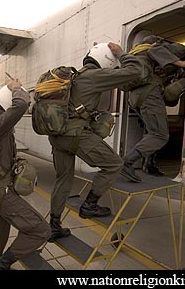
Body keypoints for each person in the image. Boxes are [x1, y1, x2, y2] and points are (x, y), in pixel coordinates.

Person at [47, 42, 146, 242]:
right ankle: (90, 205)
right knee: (114, 164)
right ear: (107, 61)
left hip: (58, 136)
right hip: (76, 135)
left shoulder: (76, 76)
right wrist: (121, 54)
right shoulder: (95, 75)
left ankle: (54, 226)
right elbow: (136, 71)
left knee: (63, 179)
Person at [0, 79, 51, 270]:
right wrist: (16, 88)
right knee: (40, 230)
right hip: (0, 192)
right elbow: (20, 105)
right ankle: (1, 265)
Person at [120, 35, 185, 181]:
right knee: (159, 135)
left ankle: (148, 164)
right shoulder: (153, 48)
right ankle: (126, 163)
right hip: (149, 95)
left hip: (135, 98)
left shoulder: (135, 54)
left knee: (152, 132)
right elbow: (159, 50)